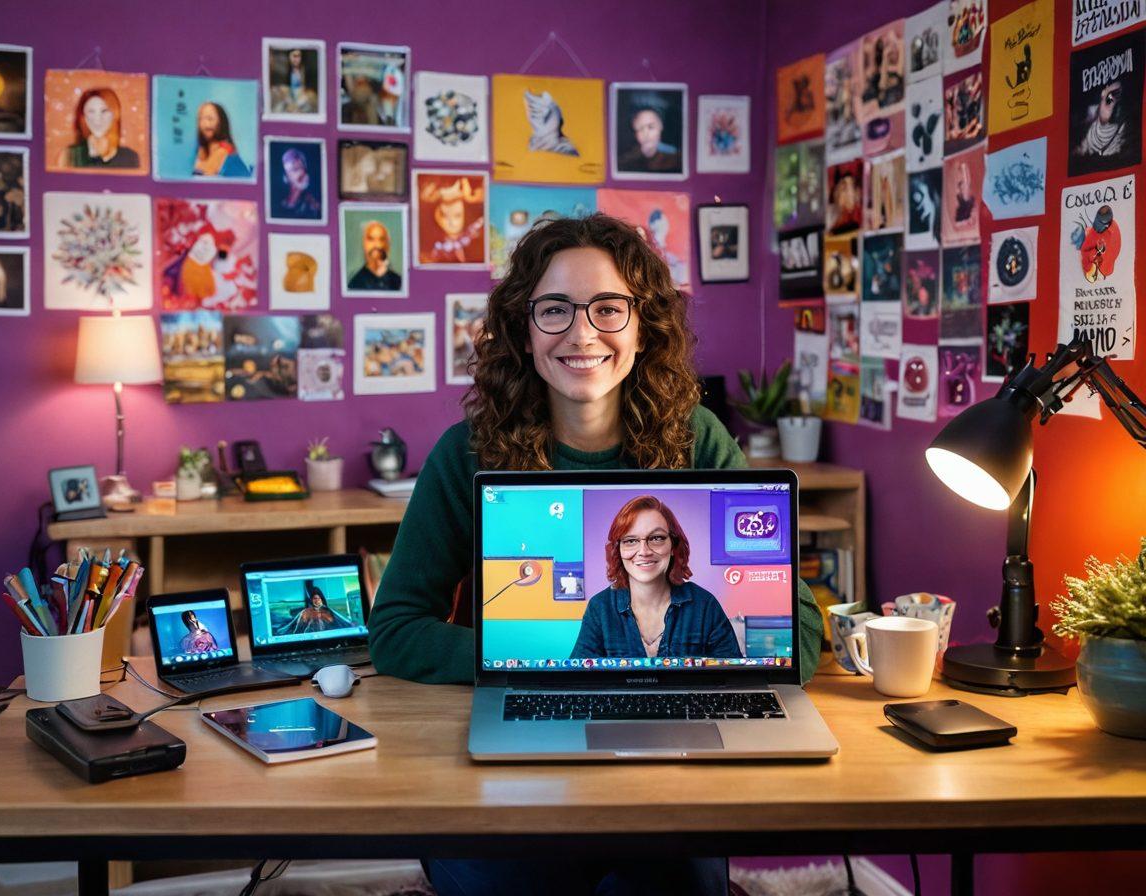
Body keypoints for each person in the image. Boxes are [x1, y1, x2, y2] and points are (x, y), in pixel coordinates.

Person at [367, 213, 822, 896]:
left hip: (670, 774)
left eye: (608, 308)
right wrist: (524, 668)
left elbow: (803, 635)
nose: (582, 334)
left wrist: (639, 676)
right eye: (554, 309)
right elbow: (396, 629)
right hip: (516, 758)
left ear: (643, 326)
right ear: (524, 329)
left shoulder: (698, 438)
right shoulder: (468, 451)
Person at [571, 495, 741, 659]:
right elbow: (577, 681)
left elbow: (735, 680)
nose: (644, 551)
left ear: (674, 546)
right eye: (630, 541)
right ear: (618, 550)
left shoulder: (704, 605)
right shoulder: (600, 607)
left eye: (656, 538)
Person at [63, 88, 140, 169]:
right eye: (91, 112)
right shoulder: (69, 155)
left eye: (104, 111)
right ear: (83, 117)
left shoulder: (130, 157)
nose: (98, 119)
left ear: (115, 114)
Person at [617, 97, 681, 173]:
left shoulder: (676, 158)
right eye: (640, 128)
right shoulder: (626, 161)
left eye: (651, 127)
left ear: (661, 127)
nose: (646, 134)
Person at [193, 102, 251, 178]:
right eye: (201, 119)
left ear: (221, 122)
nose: (205, 124)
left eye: (210, 118)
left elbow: (207, 173)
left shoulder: (225, 150)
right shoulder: (200, 149)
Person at [276, 582, 352, 636]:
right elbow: (297, 631)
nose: (317, 601)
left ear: (322, 600)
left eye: (319, 599)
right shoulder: (305, 613)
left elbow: (340, 623)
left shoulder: (329, 612)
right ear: (312, 600)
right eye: (315, 598)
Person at [348, 220, 402, 291]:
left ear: (388, 245)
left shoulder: (399, 282)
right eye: (371, 239)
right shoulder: (354, 284)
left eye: (382, 239)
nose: (377, 245)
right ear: (364, 244)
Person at [277, 147, 320, 218]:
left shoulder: (312, 204)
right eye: (295, 169)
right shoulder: (279, 205)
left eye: (303, 168)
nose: (302, 173)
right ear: (286, 177)